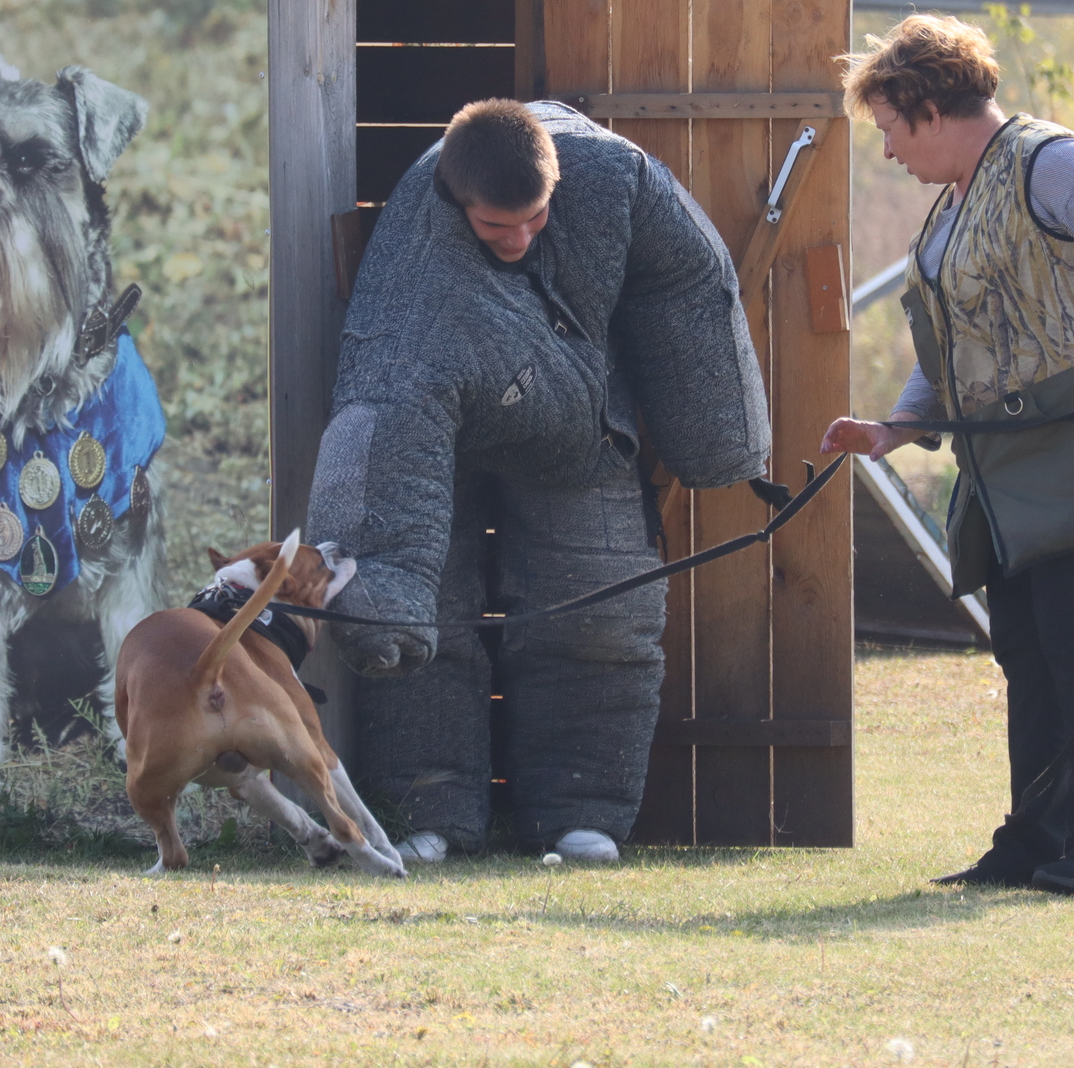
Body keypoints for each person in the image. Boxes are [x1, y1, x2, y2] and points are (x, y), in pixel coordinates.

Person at [306, 97, 770, 864]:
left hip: (576, 428)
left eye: (535, 217)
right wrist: (385, 594)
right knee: (428, 622)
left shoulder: (614, 179)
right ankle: (428, 806)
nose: (519, 238)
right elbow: (380, 422)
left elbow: (688, 279)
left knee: (601, 608)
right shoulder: (417, 298)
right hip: (437, 437)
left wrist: (720, 434)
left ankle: (580, 812)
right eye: (496, 227)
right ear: (459, 206)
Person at [821, 15, 1074, 897]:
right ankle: (1035, 840)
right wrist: (895, 427)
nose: (885, 150)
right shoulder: (958, 196)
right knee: (1029, 651)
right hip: (1011, 469)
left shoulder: (1048, 162)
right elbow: (958, 341)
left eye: (887, 126)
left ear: (926, 106)